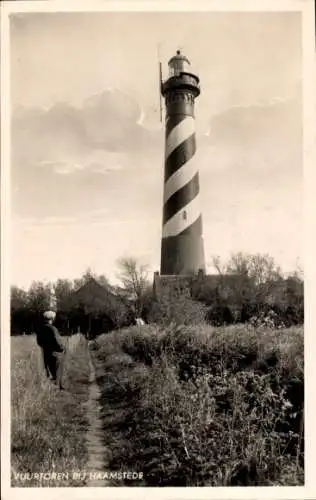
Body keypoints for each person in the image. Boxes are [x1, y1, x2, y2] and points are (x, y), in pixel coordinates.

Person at [36, 310, 66, 390]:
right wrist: (62, 348)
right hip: (56, 352)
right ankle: (58, 387)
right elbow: (58, 341)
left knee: (49, 370)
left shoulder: (40, 329)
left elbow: (39, 342)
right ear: (52, 319)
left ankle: (51, 388)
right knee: (58, 371)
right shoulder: (53, 329)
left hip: (46, 352)